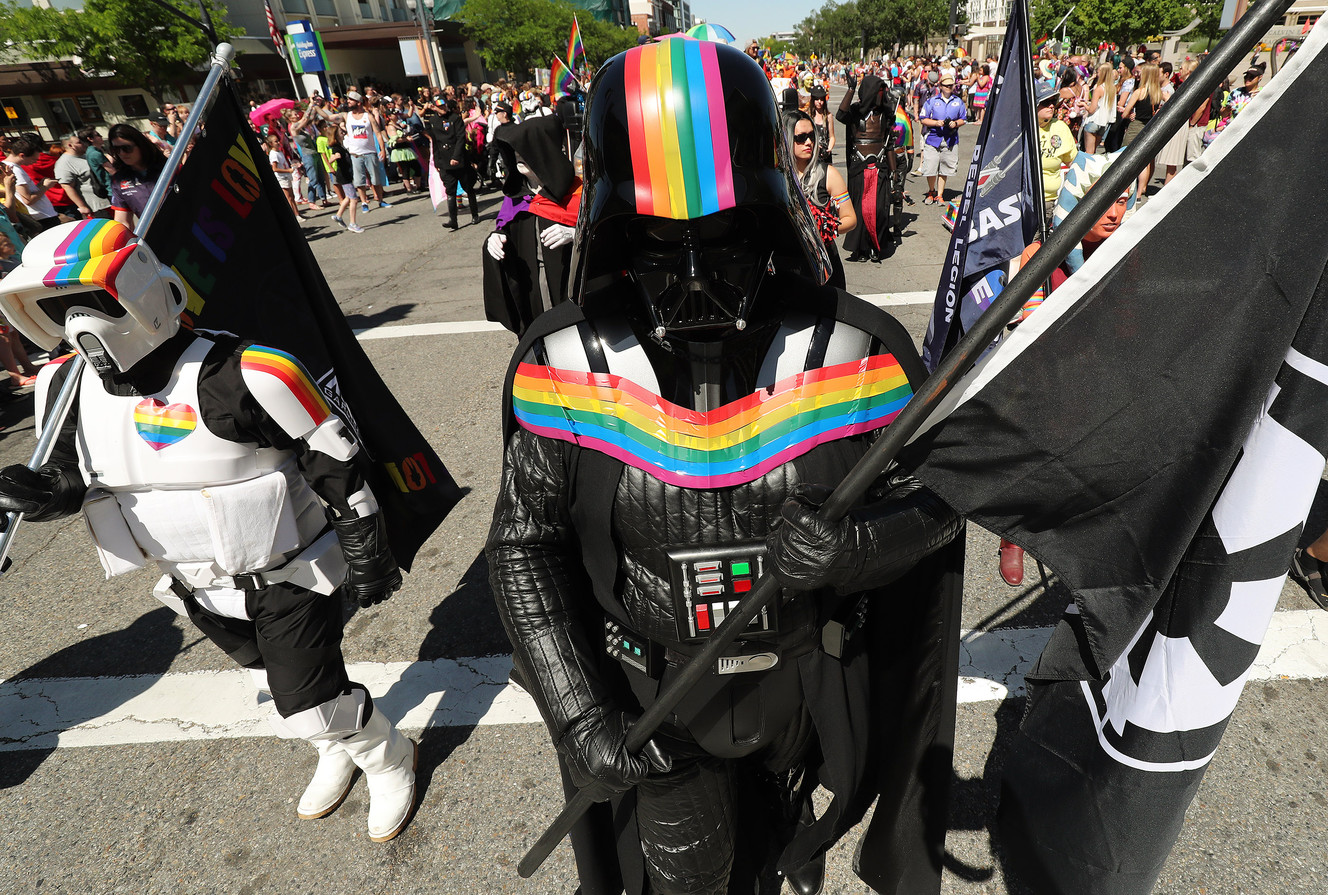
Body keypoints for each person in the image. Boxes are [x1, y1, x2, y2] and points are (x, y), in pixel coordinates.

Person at [487, 41, 964, 895]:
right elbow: (525, 545)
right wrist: (580, 709)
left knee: (792, 847)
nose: (696, 274)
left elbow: (940, 503)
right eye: (660, 242)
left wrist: (855, 548)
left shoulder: (853, 350)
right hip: (659, 703)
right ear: (615, 232)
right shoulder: (567, 366)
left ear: (770, 216)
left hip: (810, 689)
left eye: (725, 236)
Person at [0, 218, 417, 841]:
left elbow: (335, 463)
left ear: (146, 293)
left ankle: (386, 754)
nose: (79, 322)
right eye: (58, 307)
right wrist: (37, 494)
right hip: (189, 580)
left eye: (91, 300)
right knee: (272, 684)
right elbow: (71, 475)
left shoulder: (252, 371)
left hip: (289, 572)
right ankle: (337, 745)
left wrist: (367, 550)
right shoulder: (64, 385)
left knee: (306, 703)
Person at [482, 115, 580, 337]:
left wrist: (576, 234)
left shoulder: (578, 193)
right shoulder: (516, 197)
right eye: (515, 151)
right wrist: (495, 238)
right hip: (531, 286)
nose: (517, 155)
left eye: (524, 149)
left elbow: (607, 239)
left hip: (571, 283)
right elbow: (505, 228)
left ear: (542, 153)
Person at [786, 110, 855, 289]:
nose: (808, 142)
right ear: (786, 139)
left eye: (811, 136)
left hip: (824, 267)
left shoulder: (828, 174)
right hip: (787, 267)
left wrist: (824, 229)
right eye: (801, 138)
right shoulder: (777, 177)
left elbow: (850, 219)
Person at [837, 74, 897, 262]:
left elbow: (889, 145)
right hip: (859, 166)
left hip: (880, 166)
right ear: (871, 92)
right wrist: (850, 90)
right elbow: (840, 115)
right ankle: (861, 249)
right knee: (859, 209)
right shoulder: (855, 112)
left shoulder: (886, 115)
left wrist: (894, 171)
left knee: (879, 209)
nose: (883, 95)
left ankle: (875, 246)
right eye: (880, 91)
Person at [424, 98, 480, 231]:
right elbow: (434, 142)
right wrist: (437, 161)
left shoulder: (455, 118)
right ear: (434, 108)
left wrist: (456, 157)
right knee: (450, 190)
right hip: (444, 160)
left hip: (459, 159)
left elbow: (461, 138)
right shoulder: (433, 121)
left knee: (468, 187)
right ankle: (453, 220)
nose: (443, 108)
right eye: (439, 107)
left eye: (444, 106)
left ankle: (475, 214)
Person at [105, 123, 167, 228]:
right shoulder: (119, 180)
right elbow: (122, 221)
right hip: (154, 233)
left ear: (141, 145)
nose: (122, 153)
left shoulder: (168, 168)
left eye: (126, 148)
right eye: (116, 149)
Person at [918, 75, 966, 206]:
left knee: (945, 168)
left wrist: (956, 123)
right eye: (946, 85)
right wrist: (935, 123)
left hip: (950, 139)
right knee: (930, 167)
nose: (949, 87)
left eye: (951, 85)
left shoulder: (958, 101)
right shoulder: (932, 101)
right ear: (940, 86)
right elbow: (923, 118)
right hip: (933, 139)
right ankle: (931, 191)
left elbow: (963, 118)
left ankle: (940, 195)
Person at [1121, 62, 1165, 200]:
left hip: (1137, 126)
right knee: (1144, 163)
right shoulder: (1159, 93)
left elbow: (1125, 113)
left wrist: (1129, 114)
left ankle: (1125, 187)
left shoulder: (1139, 92)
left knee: (1126, 156)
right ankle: (1140, 193)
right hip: (1150, 127)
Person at [1036, 82, 1076, 231]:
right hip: (1021, 200)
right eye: (1046, 102)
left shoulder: (1060, 127)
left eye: (1053, 101)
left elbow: (1074, 162)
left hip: (1048, 201)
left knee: (1039, 241)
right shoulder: (1023, 129)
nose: (1051, 106)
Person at [3, 134, 60, 232]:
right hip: (41, 217)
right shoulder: (14, 170)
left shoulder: (12, 167)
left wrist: (40, 186)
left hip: (42, 215)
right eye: (34, 159)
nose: (35, 162)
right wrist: (45, 187)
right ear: (22, 155)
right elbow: (28, 199)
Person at [55, 132, 112, 220]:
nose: (84, 144)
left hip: (110, 199)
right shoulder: (63, 164)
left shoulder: (87, 155)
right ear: (70, 145)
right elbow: (67, 187)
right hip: (96, 207)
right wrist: (82, 206)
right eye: (79, 142)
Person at [1082, 62, 1116, 155]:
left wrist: (1084, 105)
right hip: (1104, 122)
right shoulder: (1112, 88)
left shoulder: (1099, 89)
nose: (1097, 74)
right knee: (1094, 151)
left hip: (1094, 120)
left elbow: (1092, 109)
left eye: (1098, 72)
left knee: (1089, 152)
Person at [807, 85, 836, 162]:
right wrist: (815, 146)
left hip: (825, 154)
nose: (819, 102)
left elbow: (832, 137)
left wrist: (829, 149)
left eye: (821, 99)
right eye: (817, 99)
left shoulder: (828, 116)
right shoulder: (809, 116)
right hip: (813, 153)